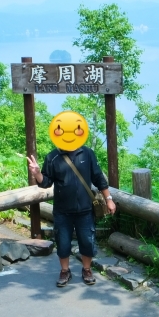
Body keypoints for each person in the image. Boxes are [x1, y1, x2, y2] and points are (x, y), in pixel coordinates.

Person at [27, 110, 116, 287]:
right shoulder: (52, 157)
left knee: (87, 241)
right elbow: (46, 183)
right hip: (62, 211)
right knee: (63, 242)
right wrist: (37, 174)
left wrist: (109, 199)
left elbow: (98, 178)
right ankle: (65, 271)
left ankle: (87, 269)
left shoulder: (87, 153)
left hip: (85, 210)